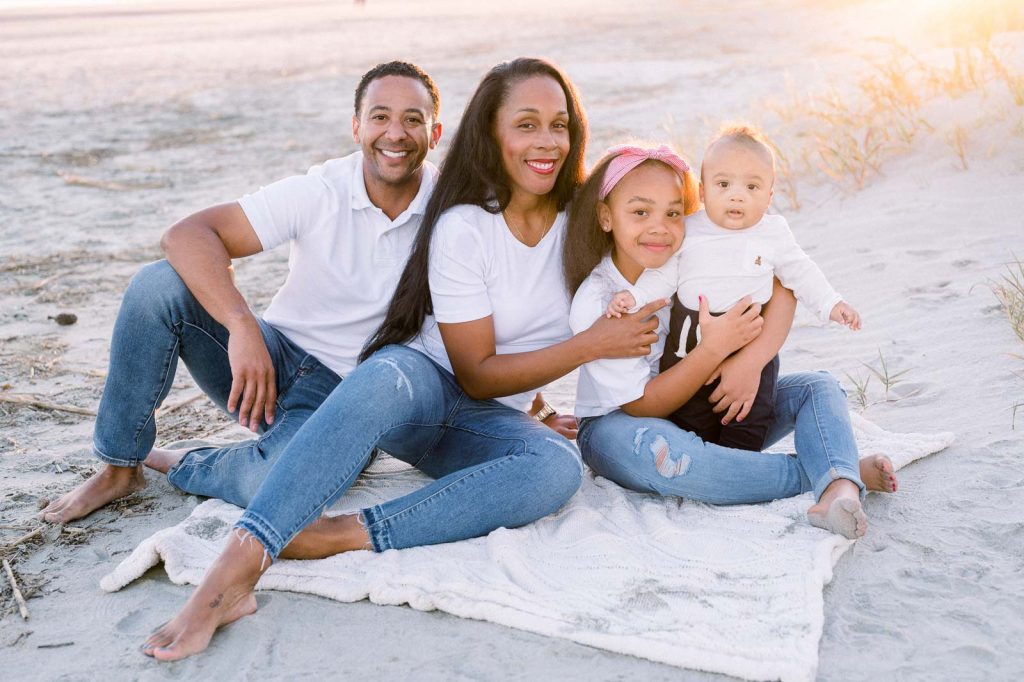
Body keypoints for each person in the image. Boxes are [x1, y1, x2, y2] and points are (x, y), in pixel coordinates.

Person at [141, 57, 662, 661]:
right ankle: (230, 577)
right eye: (526, 124)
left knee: (556, 468)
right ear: (492, 134)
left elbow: (668, 225)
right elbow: (473, 371)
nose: (546, 141)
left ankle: (340, 534)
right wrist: (590, 346)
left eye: (559, 124)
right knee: (387, 371)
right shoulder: (466, 222)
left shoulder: (584, 220)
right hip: (422, 391)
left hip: (488, 421)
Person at [40, 60, 444, 524]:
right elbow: (187, 235)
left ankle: (187, 462)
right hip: (269, 369)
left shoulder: (452, 210)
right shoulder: (320, 191)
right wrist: (241, 325)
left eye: (412, 119)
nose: (394, 133)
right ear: (356, 127)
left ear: (434, 134)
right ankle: (119, 465)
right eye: (380, 116)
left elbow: (490, 312)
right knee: (157, 285)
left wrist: (535, 404)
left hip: (353, 403)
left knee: (274, 484)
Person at [565, 144, 898, 542]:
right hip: (618, 424)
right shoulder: (601, 301)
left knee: (818, 387)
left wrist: (750, 363)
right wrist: (715, 351)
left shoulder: (691, 255)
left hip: (704, 403)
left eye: (673, 213)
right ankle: (834, 472)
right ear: (606, 216)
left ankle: (836, 486)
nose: (659, 226)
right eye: (640, 212)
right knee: (676, 460)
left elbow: (784, 289)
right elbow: (640, 404)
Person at [604, 126, 861, 451]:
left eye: (752, 186)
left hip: (748, 343)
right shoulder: (690, 229)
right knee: (687, 421)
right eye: (723, 184)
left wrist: (831, 304)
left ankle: (741, 460)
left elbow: (801, 272)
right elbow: (665, 275)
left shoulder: (774, 233)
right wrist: (635, 296)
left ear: (769, 195)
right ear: (702, 190)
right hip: (689, 346)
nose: (737, 195)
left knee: (748, 416)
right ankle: (708, 462)